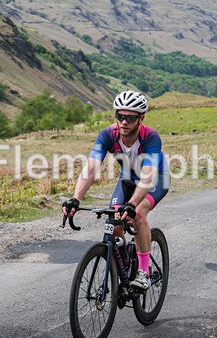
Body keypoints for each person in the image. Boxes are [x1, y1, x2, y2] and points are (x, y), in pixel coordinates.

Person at [62, 90, 170, 290]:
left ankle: (144, 272)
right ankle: (125, 266)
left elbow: (147, 177)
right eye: (120, 116)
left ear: (141, 118)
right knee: (115, 222)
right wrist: (76, 199)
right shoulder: (107, 135)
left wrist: (132, 204)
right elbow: (91, 168)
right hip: (127, 179)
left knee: (137, 214)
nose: (124, 122)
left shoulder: (151, 138)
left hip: (156, 179)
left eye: (130, 118)